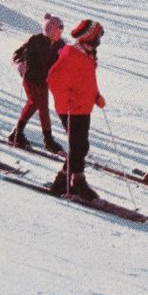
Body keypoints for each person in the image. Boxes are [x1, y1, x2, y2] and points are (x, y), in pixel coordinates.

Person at [45, 19, 106, 201]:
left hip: (84, 107)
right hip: (70, 108)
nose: (99, 42)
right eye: (97, 38)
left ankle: (76, 180)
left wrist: (96, 96)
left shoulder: (88, 55)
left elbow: (86, 81)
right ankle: (64, 182)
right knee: (78, 147)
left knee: (81, 146)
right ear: (88, 38)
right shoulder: (71, 54)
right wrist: (68, 98)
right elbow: (53, 79)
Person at [9, 14, 65, 153]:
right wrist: (19, 65)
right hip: (30, 77)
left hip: (44, 80)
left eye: (61, 31)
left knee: (43, 108)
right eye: (58, 31)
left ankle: (47, 140)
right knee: (34, 103)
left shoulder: (60, 44)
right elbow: (17, 55)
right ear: (50, 30)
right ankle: (17, 134)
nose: (60, 33)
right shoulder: (36, 40)